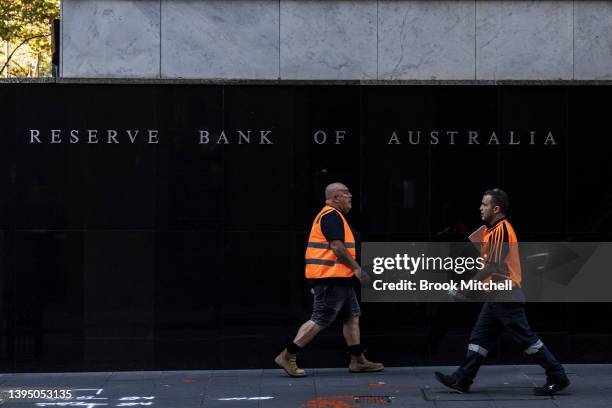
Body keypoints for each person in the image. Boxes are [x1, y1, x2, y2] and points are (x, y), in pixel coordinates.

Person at [434, 188, 570, 396]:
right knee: (479, 339)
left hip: (505, 295)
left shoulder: (501, 230)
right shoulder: (491, 231)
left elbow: (492, 266)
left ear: (496, 208)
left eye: (485, 204)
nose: (480, 207)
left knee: (527, 339)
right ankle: (462, 379)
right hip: (497, 295)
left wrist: (467, 287)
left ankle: (558, 375)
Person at [274, 182, 384, 377]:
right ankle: (288, 355)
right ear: (335, 198)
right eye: (345, 193)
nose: (350, 196)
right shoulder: (331, 215)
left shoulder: (335, 216)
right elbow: (337, 247)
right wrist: (357, 269)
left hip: (339, 278)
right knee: (320, 319)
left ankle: (357, 359)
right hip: (332, 279)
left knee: (352, 316)